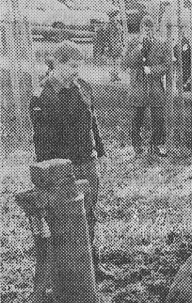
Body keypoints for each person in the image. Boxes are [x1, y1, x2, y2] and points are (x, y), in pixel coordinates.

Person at [31, 41, 106, 274]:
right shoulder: (42, 96)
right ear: (57, 64)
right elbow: (42, 143)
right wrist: (48, 177)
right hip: (63, 170)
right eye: (73, 66)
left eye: (78, 66)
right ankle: (66, 273)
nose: (77, 71)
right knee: (63, 220)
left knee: (89, 214)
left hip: (87, 163)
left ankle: (91, 266)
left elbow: (92, 121)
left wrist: (101, 151)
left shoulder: (83, 87)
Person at [122, 15, 170, 157]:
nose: (148, 30)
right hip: (138, 83)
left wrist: (153, 70)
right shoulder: (134, 42)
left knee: (158, 116)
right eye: (145, 27)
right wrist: (139, 49)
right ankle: (137, 145)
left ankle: (155, 145)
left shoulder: (161, 44)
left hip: (154, 84)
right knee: (137, 116)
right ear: (141, 28)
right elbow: (126, 62)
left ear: (155, 29)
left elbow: (166, 65)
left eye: (150, 28)